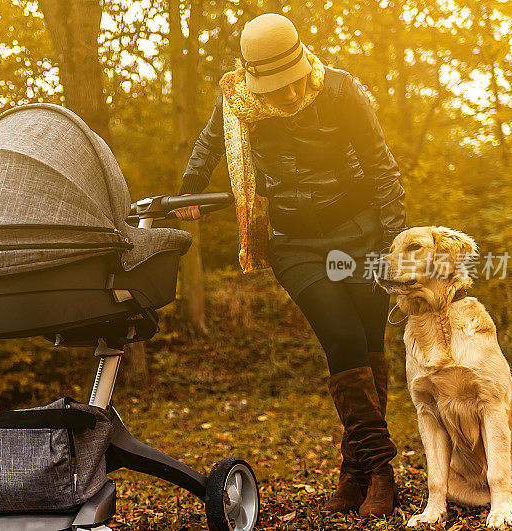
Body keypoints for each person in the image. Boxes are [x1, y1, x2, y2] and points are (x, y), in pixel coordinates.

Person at [175, 13, 407, 517]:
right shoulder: (236, 99)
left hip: (362, 232)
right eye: (271, 87)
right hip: (294, 242)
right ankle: (384, 470)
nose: (283, 96)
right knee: (343, 339)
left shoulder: (341, 91)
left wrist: (393, 242)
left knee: (370, 347)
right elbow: (210, 143)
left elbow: (380, 164)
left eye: (289, 83)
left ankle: (355, 473)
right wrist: (190, 191)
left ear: (304, 65)